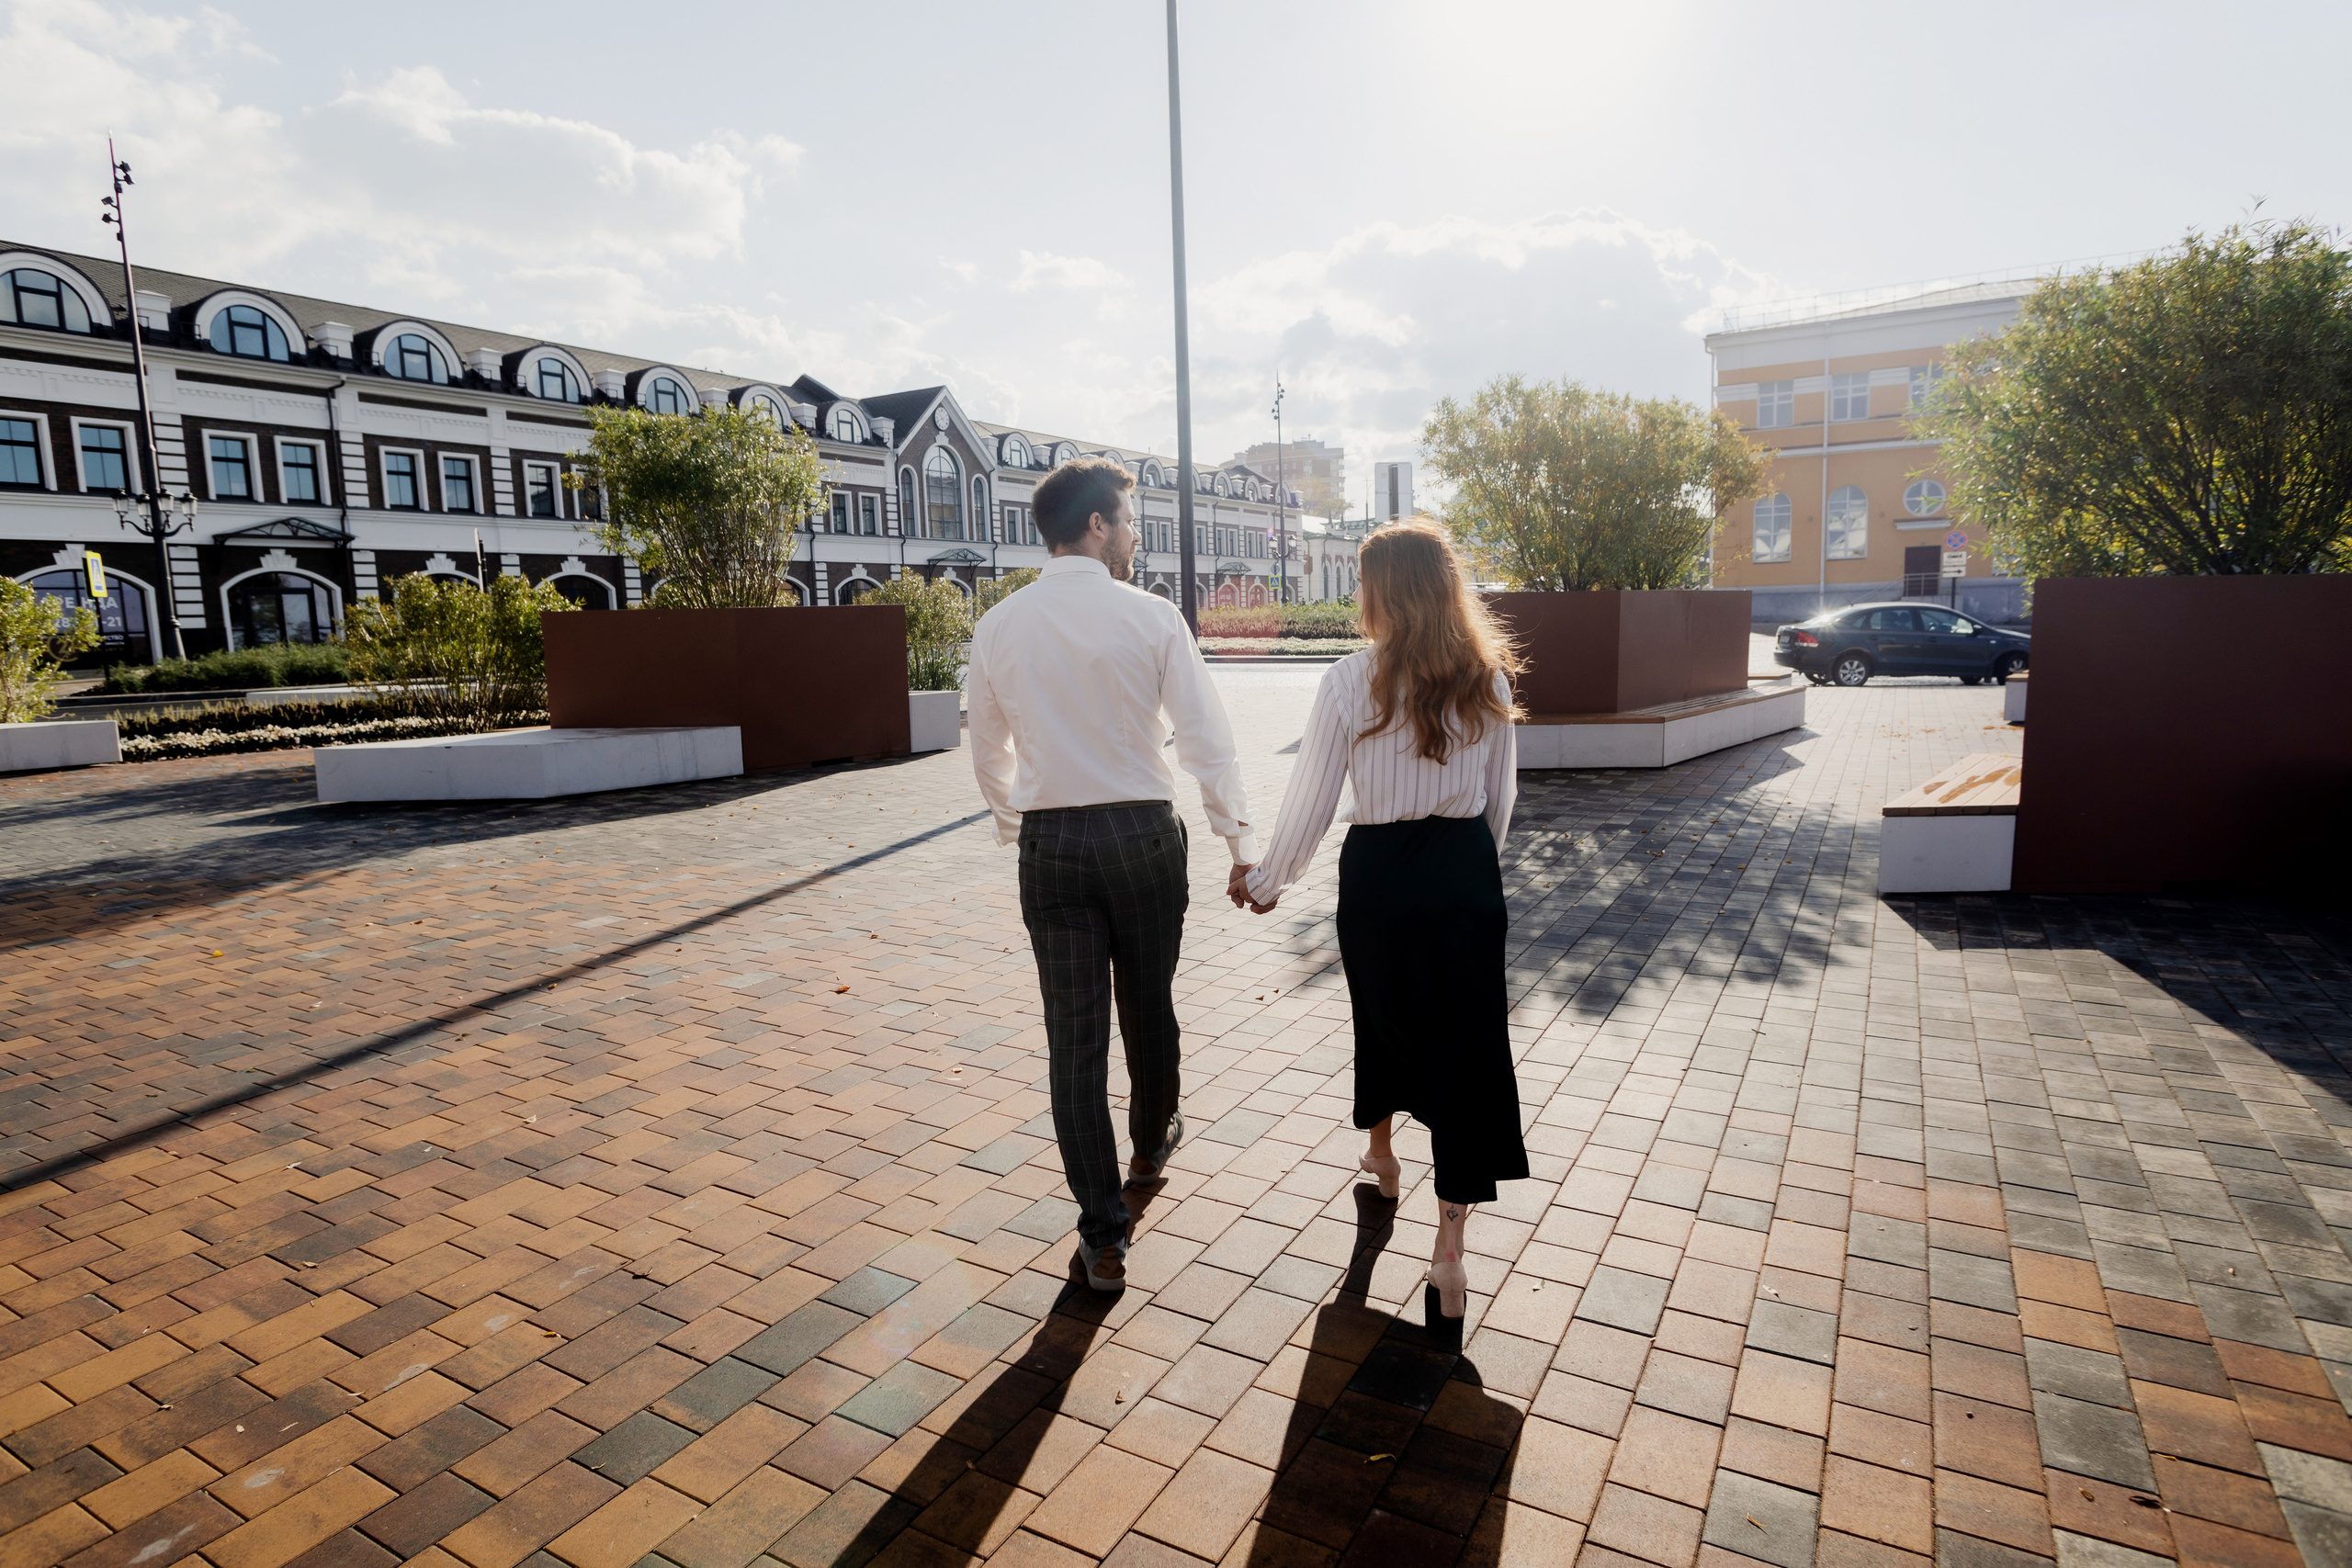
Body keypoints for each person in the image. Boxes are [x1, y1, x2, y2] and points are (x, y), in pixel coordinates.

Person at [967, 456, 1257, 1293]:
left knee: (1074, 1037)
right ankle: (1152, 1135)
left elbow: (986, 748)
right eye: (1128, 519)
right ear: (1096, 525)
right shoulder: (1152, 615)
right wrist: (1238, 839)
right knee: (1147, 999)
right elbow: (1207, 736)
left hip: (1050, 843)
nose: (1133, 534)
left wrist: (1018, 820)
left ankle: (1102, 1232)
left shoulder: (1000, 624)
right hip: (1140, 832)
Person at [1234, 520, 1528, 1319]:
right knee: (1466, 1058)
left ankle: (1383, 1153)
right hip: (1464, 880)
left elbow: (1314, 803)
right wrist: (1471, 877)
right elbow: (1500, 802)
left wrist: (1265, 882)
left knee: (1385, 1024)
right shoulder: (1489, 677)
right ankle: (1450, 1259)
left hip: (1379, 885)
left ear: (1380, 591)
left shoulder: (1345, 680)